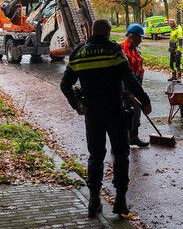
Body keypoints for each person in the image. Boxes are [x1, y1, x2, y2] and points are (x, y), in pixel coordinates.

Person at [60, 19, 152, 218]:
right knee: (120, 154)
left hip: (92, 113)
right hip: (114, 110)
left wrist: (77, 104)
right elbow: (130, 79)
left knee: (96, 156)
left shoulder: (79, 53)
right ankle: (120, 200)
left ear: (92, 31)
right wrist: (145, 101)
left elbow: (65, 85)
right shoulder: (114, 51)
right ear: (108, 33)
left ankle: (93, 200)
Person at [121, 23, 149, 148]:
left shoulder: (135, 50)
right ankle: (123, 141)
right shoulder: (121, 49)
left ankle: (133, 138)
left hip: (134, 87)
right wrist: (127, 91)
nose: (141, 41)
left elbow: (138, 70)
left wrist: (138, 90)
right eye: (139, 38)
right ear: (132, 37)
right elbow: (120, 73)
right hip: (124, 89)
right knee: (126, 113)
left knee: (137, 111)